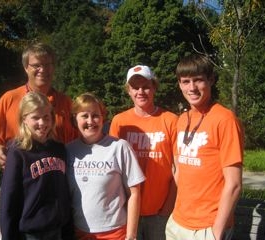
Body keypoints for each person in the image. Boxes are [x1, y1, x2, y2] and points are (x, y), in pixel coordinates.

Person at [165, 54, 244, 240]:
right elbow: (179, 170)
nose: (191, 88)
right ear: (179, 84)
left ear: (211, 80)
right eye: (185, 81)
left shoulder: (225, 120)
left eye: (198, 80)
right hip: (177, 223)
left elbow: (234, 184)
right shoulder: (183, 119)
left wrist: (216, 231)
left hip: (207, 228)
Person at [0, 42, 77, 168]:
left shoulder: (66, 103)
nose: (43, 70)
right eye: (36, 65)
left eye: (48, 65)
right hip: (17, 176)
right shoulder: (10, 99)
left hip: (58, 177)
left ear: (53, 67)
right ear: (26, 68)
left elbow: (80, 140)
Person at [109, 65, 178, 240]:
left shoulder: (170, 120)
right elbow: (112, 169)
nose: (141, 91)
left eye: (146, 86)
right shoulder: (120, 122)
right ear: (129, 91)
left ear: (154, 87)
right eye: (135, 87)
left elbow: (178, 169)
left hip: (159, 212)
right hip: (127, 210)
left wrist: (168, 207)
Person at [66, 92, 145, 240]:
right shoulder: (68, 151)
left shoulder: (119, 147)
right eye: (84, 116)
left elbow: (134, 193)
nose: (91, 121)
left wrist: (131, 235)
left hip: (115, 232)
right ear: (75, 119)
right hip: (80, 231)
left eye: (96, 115)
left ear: (103, 118)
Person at [0, 92, 72, 240]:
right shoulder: (17, 152)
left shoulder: (59, 149)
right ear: (24, 119)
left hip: (58, 228)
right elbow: (9, 200)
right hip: (32, 233)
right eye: (35, 118)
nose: (42, 123)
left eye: (46, 117)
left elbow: (65, 192)